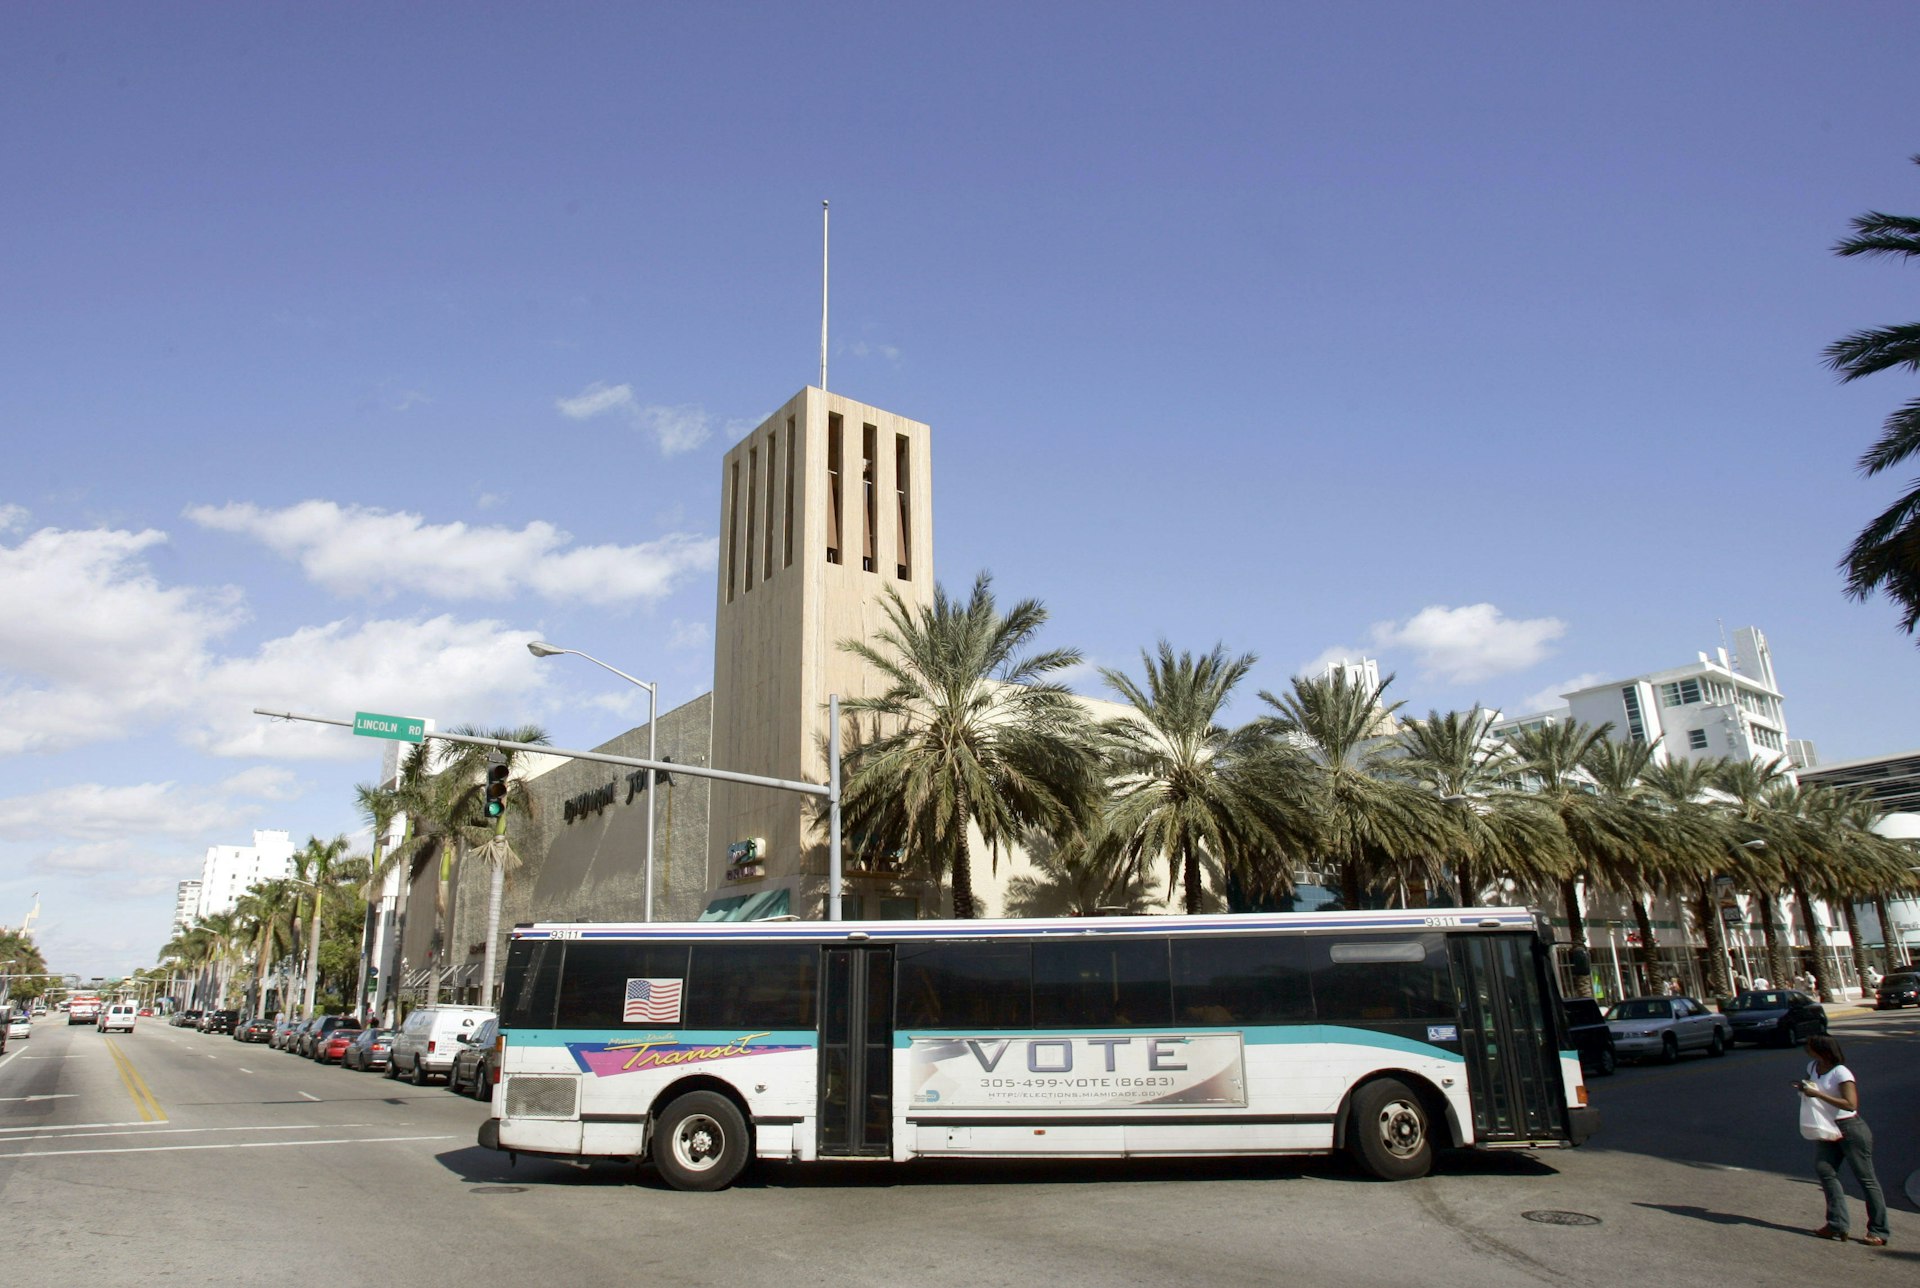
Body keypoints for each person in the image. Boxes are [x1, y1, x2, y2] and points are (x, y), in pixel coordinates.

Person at [1796, 1034, 1890, 1246]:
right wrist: (1804, 1088)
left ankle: (1879, 1230)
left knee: (1865, 1178)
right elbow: (1812, 1086)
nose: (1806, 1049)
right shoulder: (1812, 1066)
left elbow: (1850, 1104)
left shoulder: (1841, 1072)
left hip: (1850, 1128)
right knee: (1824, 1170)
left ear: (1823, 1049)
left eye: (1810, 1046)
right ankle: (1836, 1224)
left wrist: (1817, 1095)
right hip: (1827, 1127)